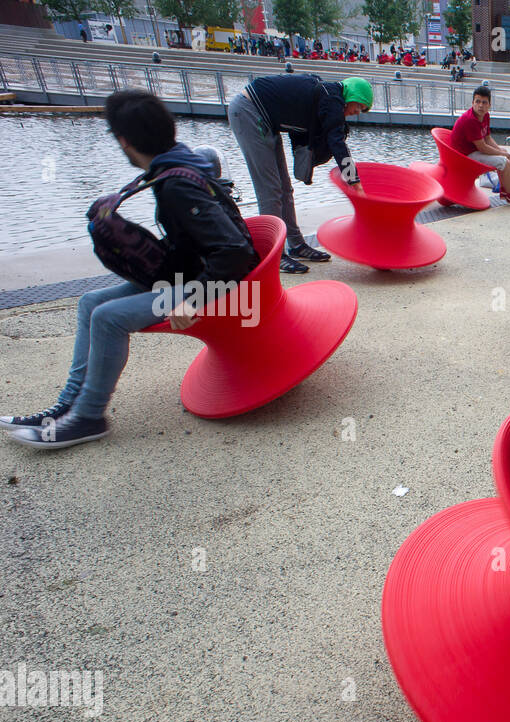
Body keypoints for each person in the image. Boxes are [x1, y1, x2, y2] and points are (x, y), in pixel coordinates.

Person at [2, 90, 258, 449]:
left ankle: (89, 417)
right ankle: (68, 406)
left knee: (109, 318)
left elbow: (234, 252)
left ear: (123, 141)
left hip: (230, 292)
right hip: (192, 276)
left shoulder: (177, 185)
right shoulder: (175, 165)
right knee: (91, 302)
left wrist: (193, 300)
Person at [228, 73, 372, 273]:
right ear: (352, 97)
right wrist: (354, 181)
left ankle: (296, 244)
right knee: (270, 190)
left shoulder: (327, 96)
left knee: (285, 188)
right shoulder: (332, 100)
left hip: (268, 120)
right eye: (356, 109)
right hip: (249, 112)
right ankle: (273, 254)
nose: (352, 114)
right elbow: (337, 143)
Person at [449, 85, 510, 204]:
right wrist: (502, 154)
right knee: (503, 161)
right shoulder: (470, 120)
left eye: (484, 102)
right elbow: (482, 147)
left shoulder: (485, 116)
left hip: (472, 151)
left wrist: (501, 151)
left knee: (503, 154)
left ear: (489, 105)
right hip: (463, 156)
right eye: (477, 101)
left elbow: (487, 138)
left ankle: (505, 190)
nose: (481, 105)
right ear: (472, 103)